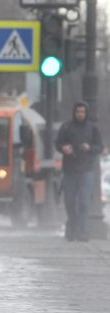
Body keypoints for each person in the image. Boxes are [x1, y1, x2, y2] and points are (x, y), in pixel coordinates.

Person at [54, 101, 103, 242]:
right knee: (69, 201)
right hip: (70, 169)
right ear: (74, 113)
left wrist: (90, 148)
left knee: (84, 202)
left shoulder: (93, 128)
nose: (80, 114)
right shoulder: (66, 127)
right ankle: (72, 226)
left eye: (82, 112)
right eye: (78, 112)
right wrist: (64, 148)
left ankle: (83, 231)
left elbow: (99, 147)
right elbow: (57, 143)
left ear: (86, 113)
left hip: (86, 169)